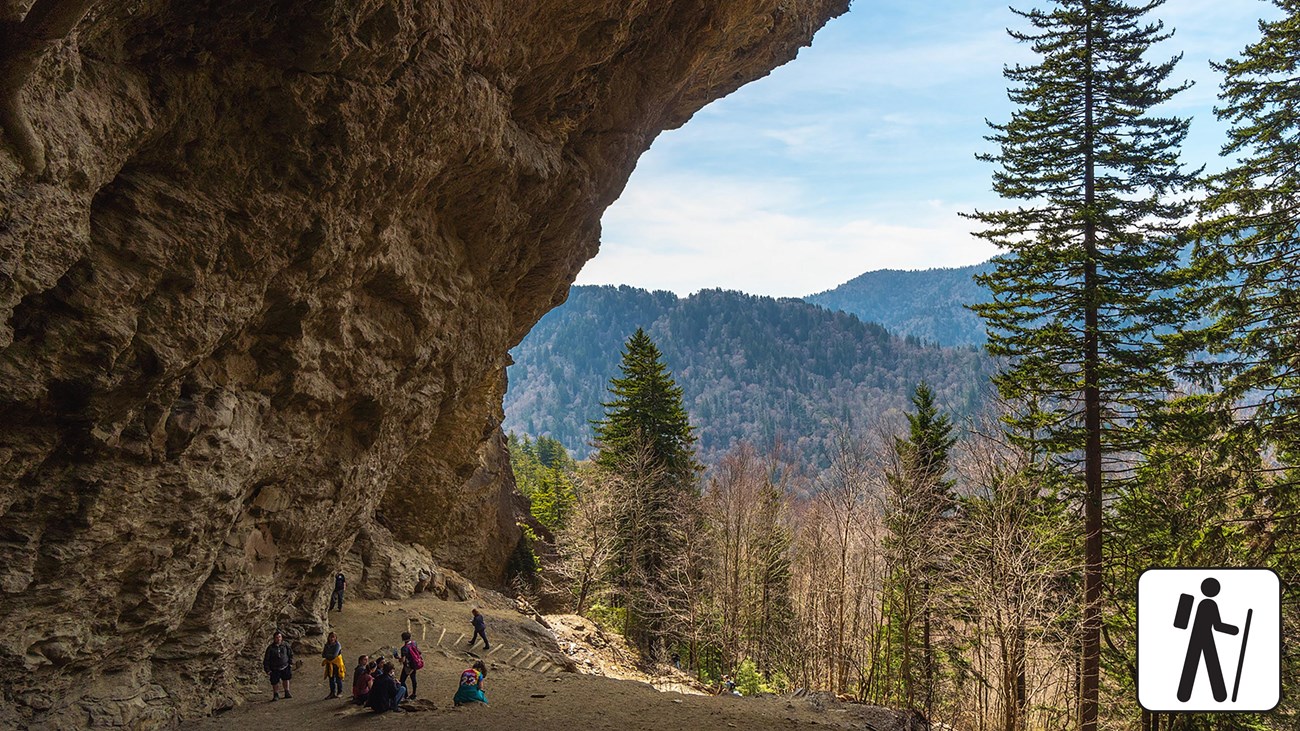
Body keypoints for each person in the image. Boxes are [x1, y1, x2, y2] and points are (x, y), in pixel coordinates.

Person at [262, 631, 293, 700]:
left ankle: (287, 691)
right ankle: (276, 694)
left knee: (286, 679)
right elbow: (266, 659)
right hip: (274, 668)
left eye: (279, 637)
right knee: (275, 682)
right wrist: (267, 669)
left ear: (281, 638)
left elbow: (290, 654)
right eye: (276, 637)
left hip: (285, 665)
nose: (278, 639)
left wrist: (290, 663)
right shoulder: (270, 648)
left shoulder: (285, 645)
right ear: (274, 638)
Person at [321, 631, 345, 699]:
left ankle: (339, 692)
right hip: (329, 664)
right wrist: (328, 656)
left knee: (338, 678)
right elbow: (323, 655)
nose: (332, 639)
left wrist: (327, 655)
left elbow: (334, 655)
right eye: (330, 637)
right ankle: (332, 693)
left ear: (335, 638)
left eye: (333, 637)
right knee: (331, 679)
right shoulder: (327, 645)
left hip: (337, 664)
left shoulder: (337, 645)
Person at [399, 631, 422, 699]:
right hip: (414, 664)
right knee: (413, 679)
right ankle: (414, 693)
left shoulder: (404, 649)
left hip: (407, 666)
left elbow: (403, 660)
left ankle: (405, 695)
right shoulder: (414, 643)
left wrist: (398, 658)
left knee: (402, 680)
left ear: (403, 639)